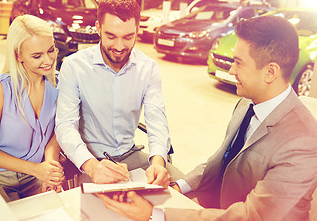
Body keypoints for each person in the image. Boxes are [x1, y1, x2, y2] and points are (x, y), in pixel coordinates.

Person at [97, 15, 317, 220]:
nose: (231, 70)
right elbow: (220, 161)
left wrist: (155, 214)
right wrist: (177, 187)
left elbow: (252, 215)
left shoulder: (303, 141)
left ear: (271, 72)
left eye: (239, 63)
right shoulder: (246, 104)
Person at [55, 0, 184, 187]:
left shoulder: (147, 68)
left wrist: (158, 161)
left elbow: (157, 120)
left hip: (131, 156)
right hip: (91, 160)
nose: (119, 46)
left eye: (128, 37)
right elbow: (65, 125)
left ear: (137, 30)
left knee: (186, 189)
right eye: (111, 36)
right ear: (98, 28)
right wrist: (91, 166)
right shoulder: (74, 66)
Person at [0, 14, 65, 202]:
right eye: (37, 56)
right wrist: (36, 169)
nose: (48, 60)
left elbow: (57, 132)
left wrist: (50, 167)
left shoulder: (60, 83)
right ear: (18, 55)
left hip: (34, 177)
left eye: (51, 50)